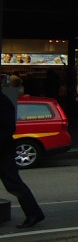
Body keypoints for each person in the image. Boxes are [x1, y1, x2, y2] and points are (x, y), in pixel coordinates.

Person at [1, 91, 46, 229]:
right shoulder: (4, 100)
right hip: (4, 149)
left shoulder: (2, 102)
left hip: (2, 151)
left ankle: (34, 213)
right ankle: (34, 213)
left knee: (14, 184)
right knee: (14, 184)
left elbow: (7, 128)